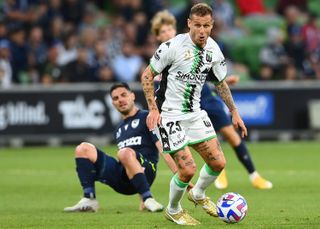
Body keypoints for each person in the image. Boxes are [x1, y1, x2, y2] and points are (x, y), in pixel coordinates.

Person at [141, 3, 247, 225]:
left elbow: (220, 84)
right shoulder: (172, 46)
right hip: (170, 115)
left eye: (206, 25)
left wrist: (234, 112)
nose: (201, 30)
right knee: (187, 169)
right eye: (197, 25)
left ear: (212, 25)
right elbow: (147, 76)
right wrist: (153, 108)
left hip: (195, 114)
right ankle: (173, 209)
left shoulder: (214, 50)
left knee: (218, 163)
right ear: (189, 23)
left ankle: (198, 194)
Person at [150, 10, 272, 190]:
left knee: (231, 134)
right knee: (194, 144)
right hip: (179, 109)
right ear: (157, 36)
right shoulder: (164, 54)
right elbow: (166, 83)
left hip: (206, 97)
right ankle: (215, 174)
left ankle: (254, 175)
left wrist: (222, 82)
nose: (167, 33)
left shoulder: (194, 46)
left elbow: (199, 73)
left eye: (169, 29)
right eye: (163, 31)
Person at [64, 82, 178, 213]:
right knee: (83, 148)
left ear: (132, 96)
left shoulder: (147, 117)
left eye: (123, 95)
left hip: (147, 170)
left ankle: (147, 198)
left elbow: (164, 148)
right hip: (123, 180)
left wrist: (179, 176)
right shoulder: (118, 129)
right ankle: (89, 198)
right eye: (115, 98)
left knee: (124, 152)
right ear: (113, 103)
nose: (120, 100)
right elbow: (128, 160)